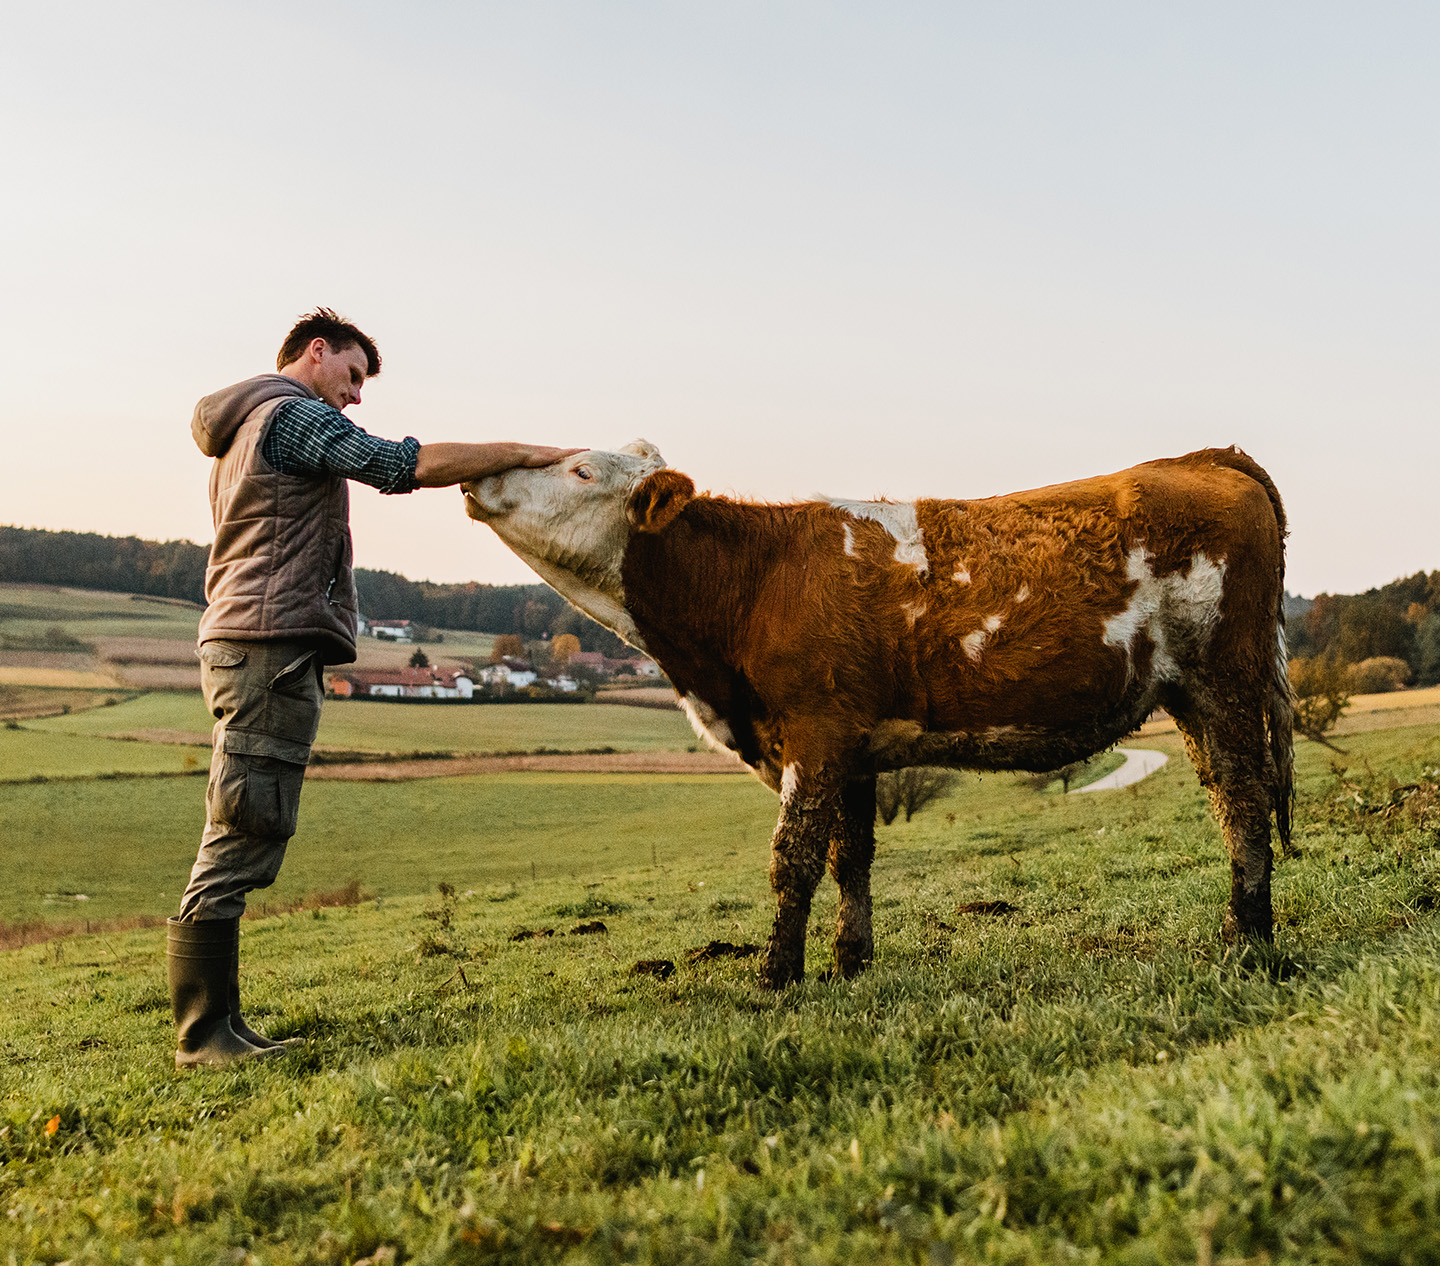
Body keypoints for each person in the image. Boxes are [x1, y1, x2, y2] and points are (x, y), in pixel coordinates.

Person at [168, 307, 580, 1068]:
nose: (355, 396)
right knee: (242, 824)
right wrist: (525, 453)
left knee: (251, 821)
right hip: (265, 649)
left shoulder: (253, 426)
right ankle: (202, 1034)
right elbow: (400, 465)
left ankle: (220, 1023)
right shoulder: (289, 416)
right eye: (353, 376)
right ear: (316, 354)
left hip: (258, 644)